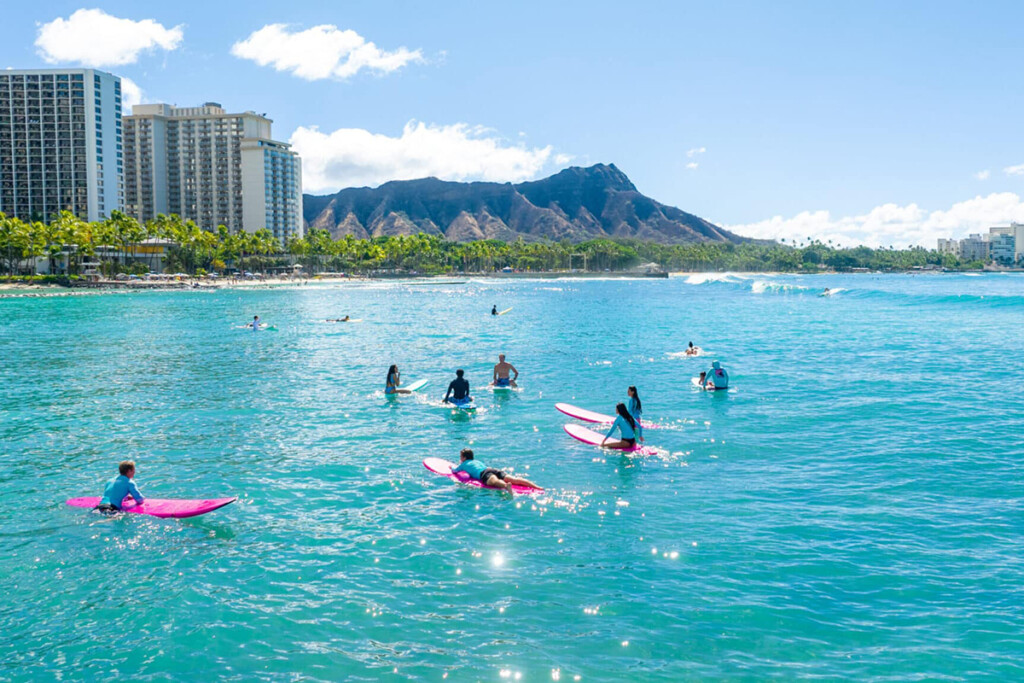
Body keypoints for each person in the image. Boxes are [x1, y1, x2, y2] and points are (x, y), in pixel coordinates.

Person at [452, 448, 541, 491]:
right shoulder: (476, 461)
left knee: (495, 481)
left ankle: (506, 486)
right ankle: (537, 487)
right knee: (514, 479)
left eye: (461, 457)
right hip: (491, 469)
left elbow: (455, 470)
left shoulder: (463, 464)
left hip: (484, 474)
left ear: (464, 458)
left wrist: (451, 467)